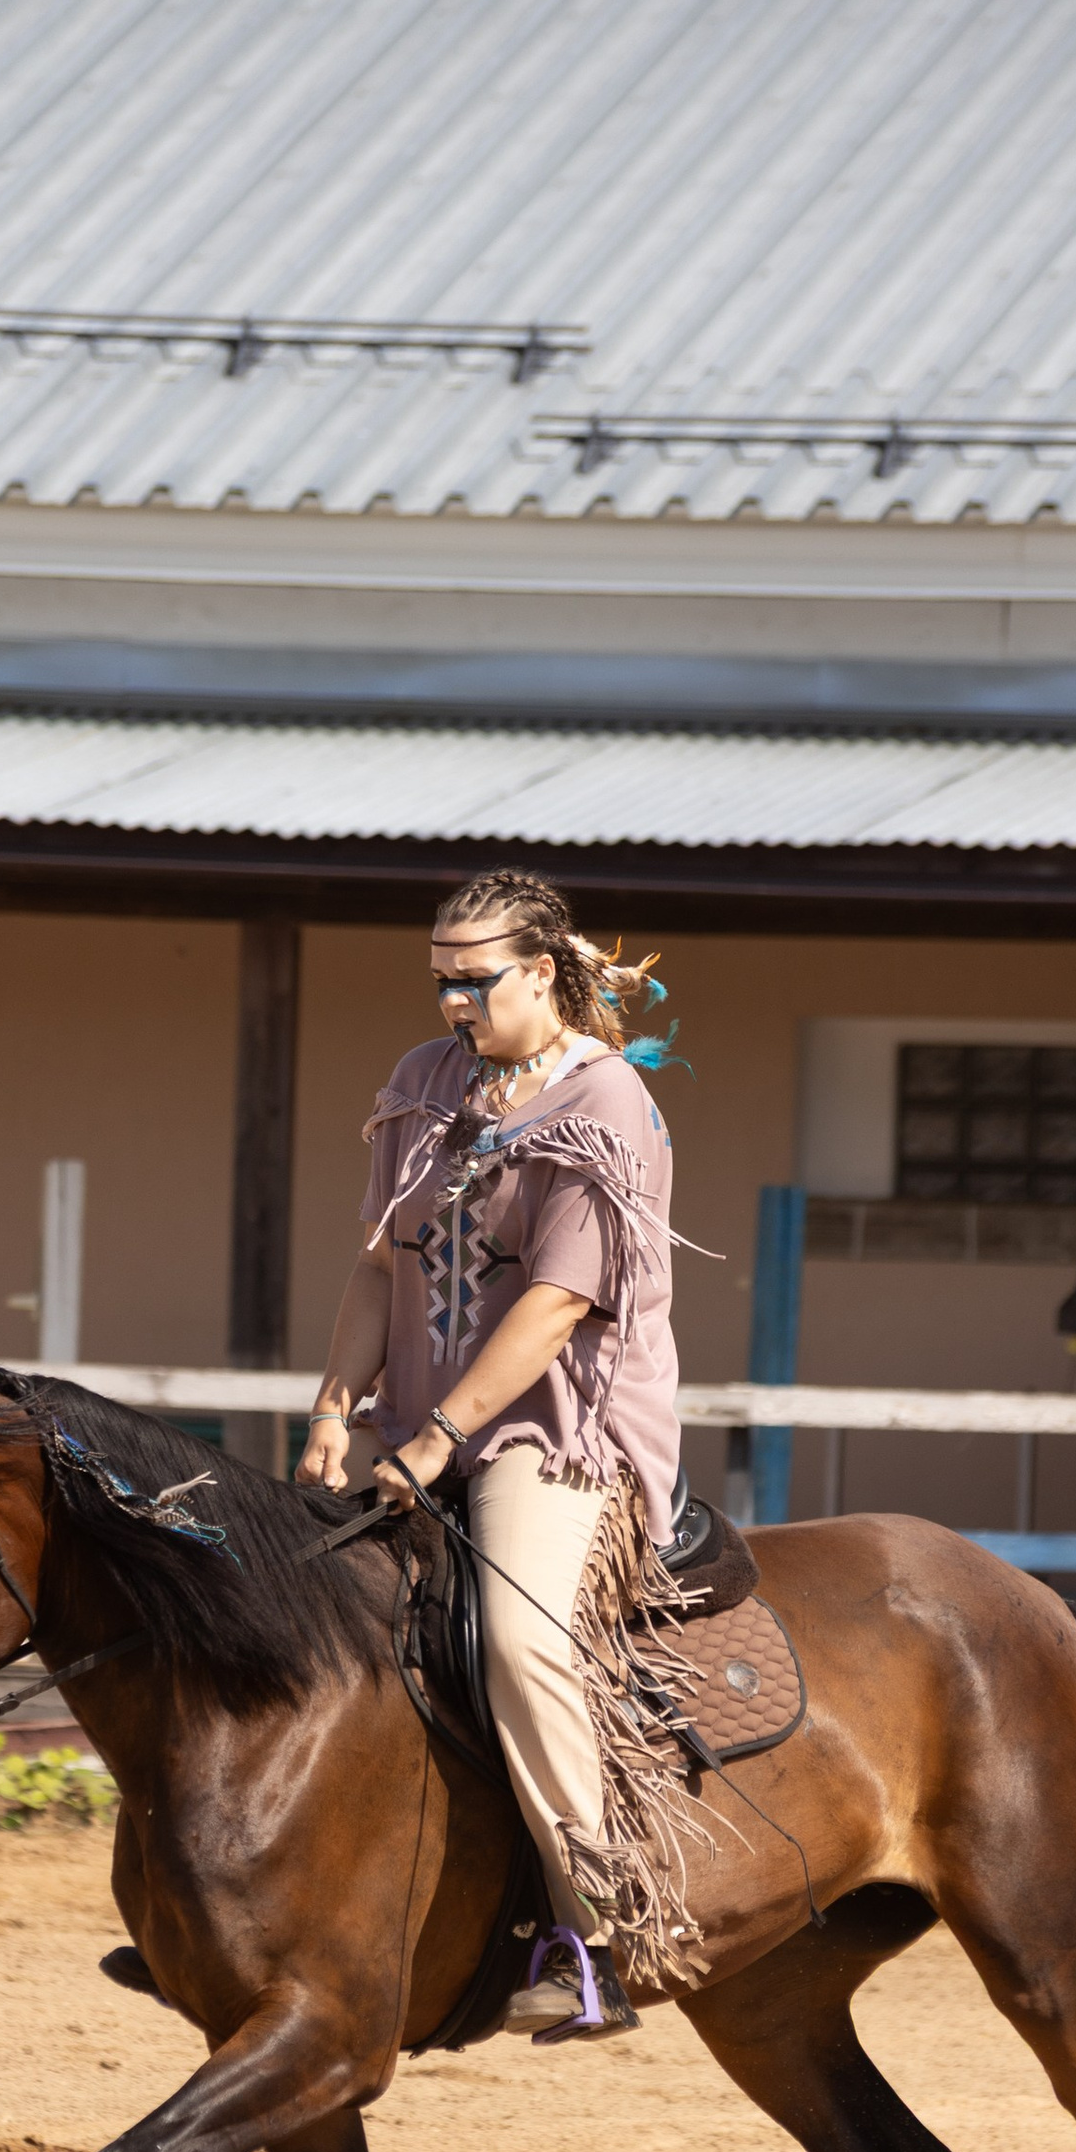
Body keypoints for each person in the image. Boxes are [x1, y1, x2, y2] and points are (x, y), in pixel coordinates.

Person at [297, 867, 691, 2038]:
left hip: (555, 1436)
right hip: (415, 1427)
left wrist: (433, 1441)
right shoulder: (420, 1086)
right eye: (440, 981)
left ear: (541, 970)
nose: (453, 1005)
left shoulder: (608, 1103)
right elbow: (379, 1265)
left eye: (474, 982)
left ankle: (598, 1936)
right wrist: (332, 1409)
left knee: (520, 1639)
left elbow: (558, 1303)